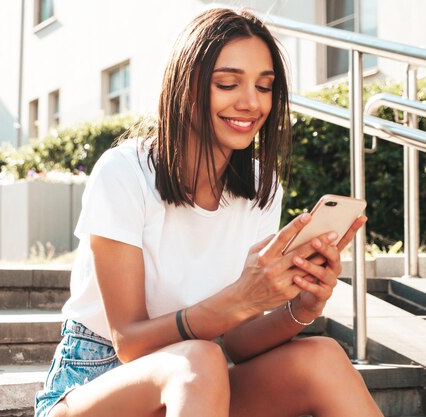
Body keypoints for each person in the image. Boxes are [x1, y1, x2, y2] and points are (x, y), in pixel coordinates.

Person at [35, 7, 382, 417]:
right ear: (187, 85)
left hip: (197, 388)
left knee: (321, 357)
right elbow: (129, 343)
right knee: (200, 360)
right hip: (94, 380)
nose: (251, 102)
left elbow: (236, 342)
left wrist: (300, 308)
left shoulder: (261, 189)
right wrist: (238, 299)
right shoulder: (125, 173)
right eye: (228, 83)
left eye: (265, 87)